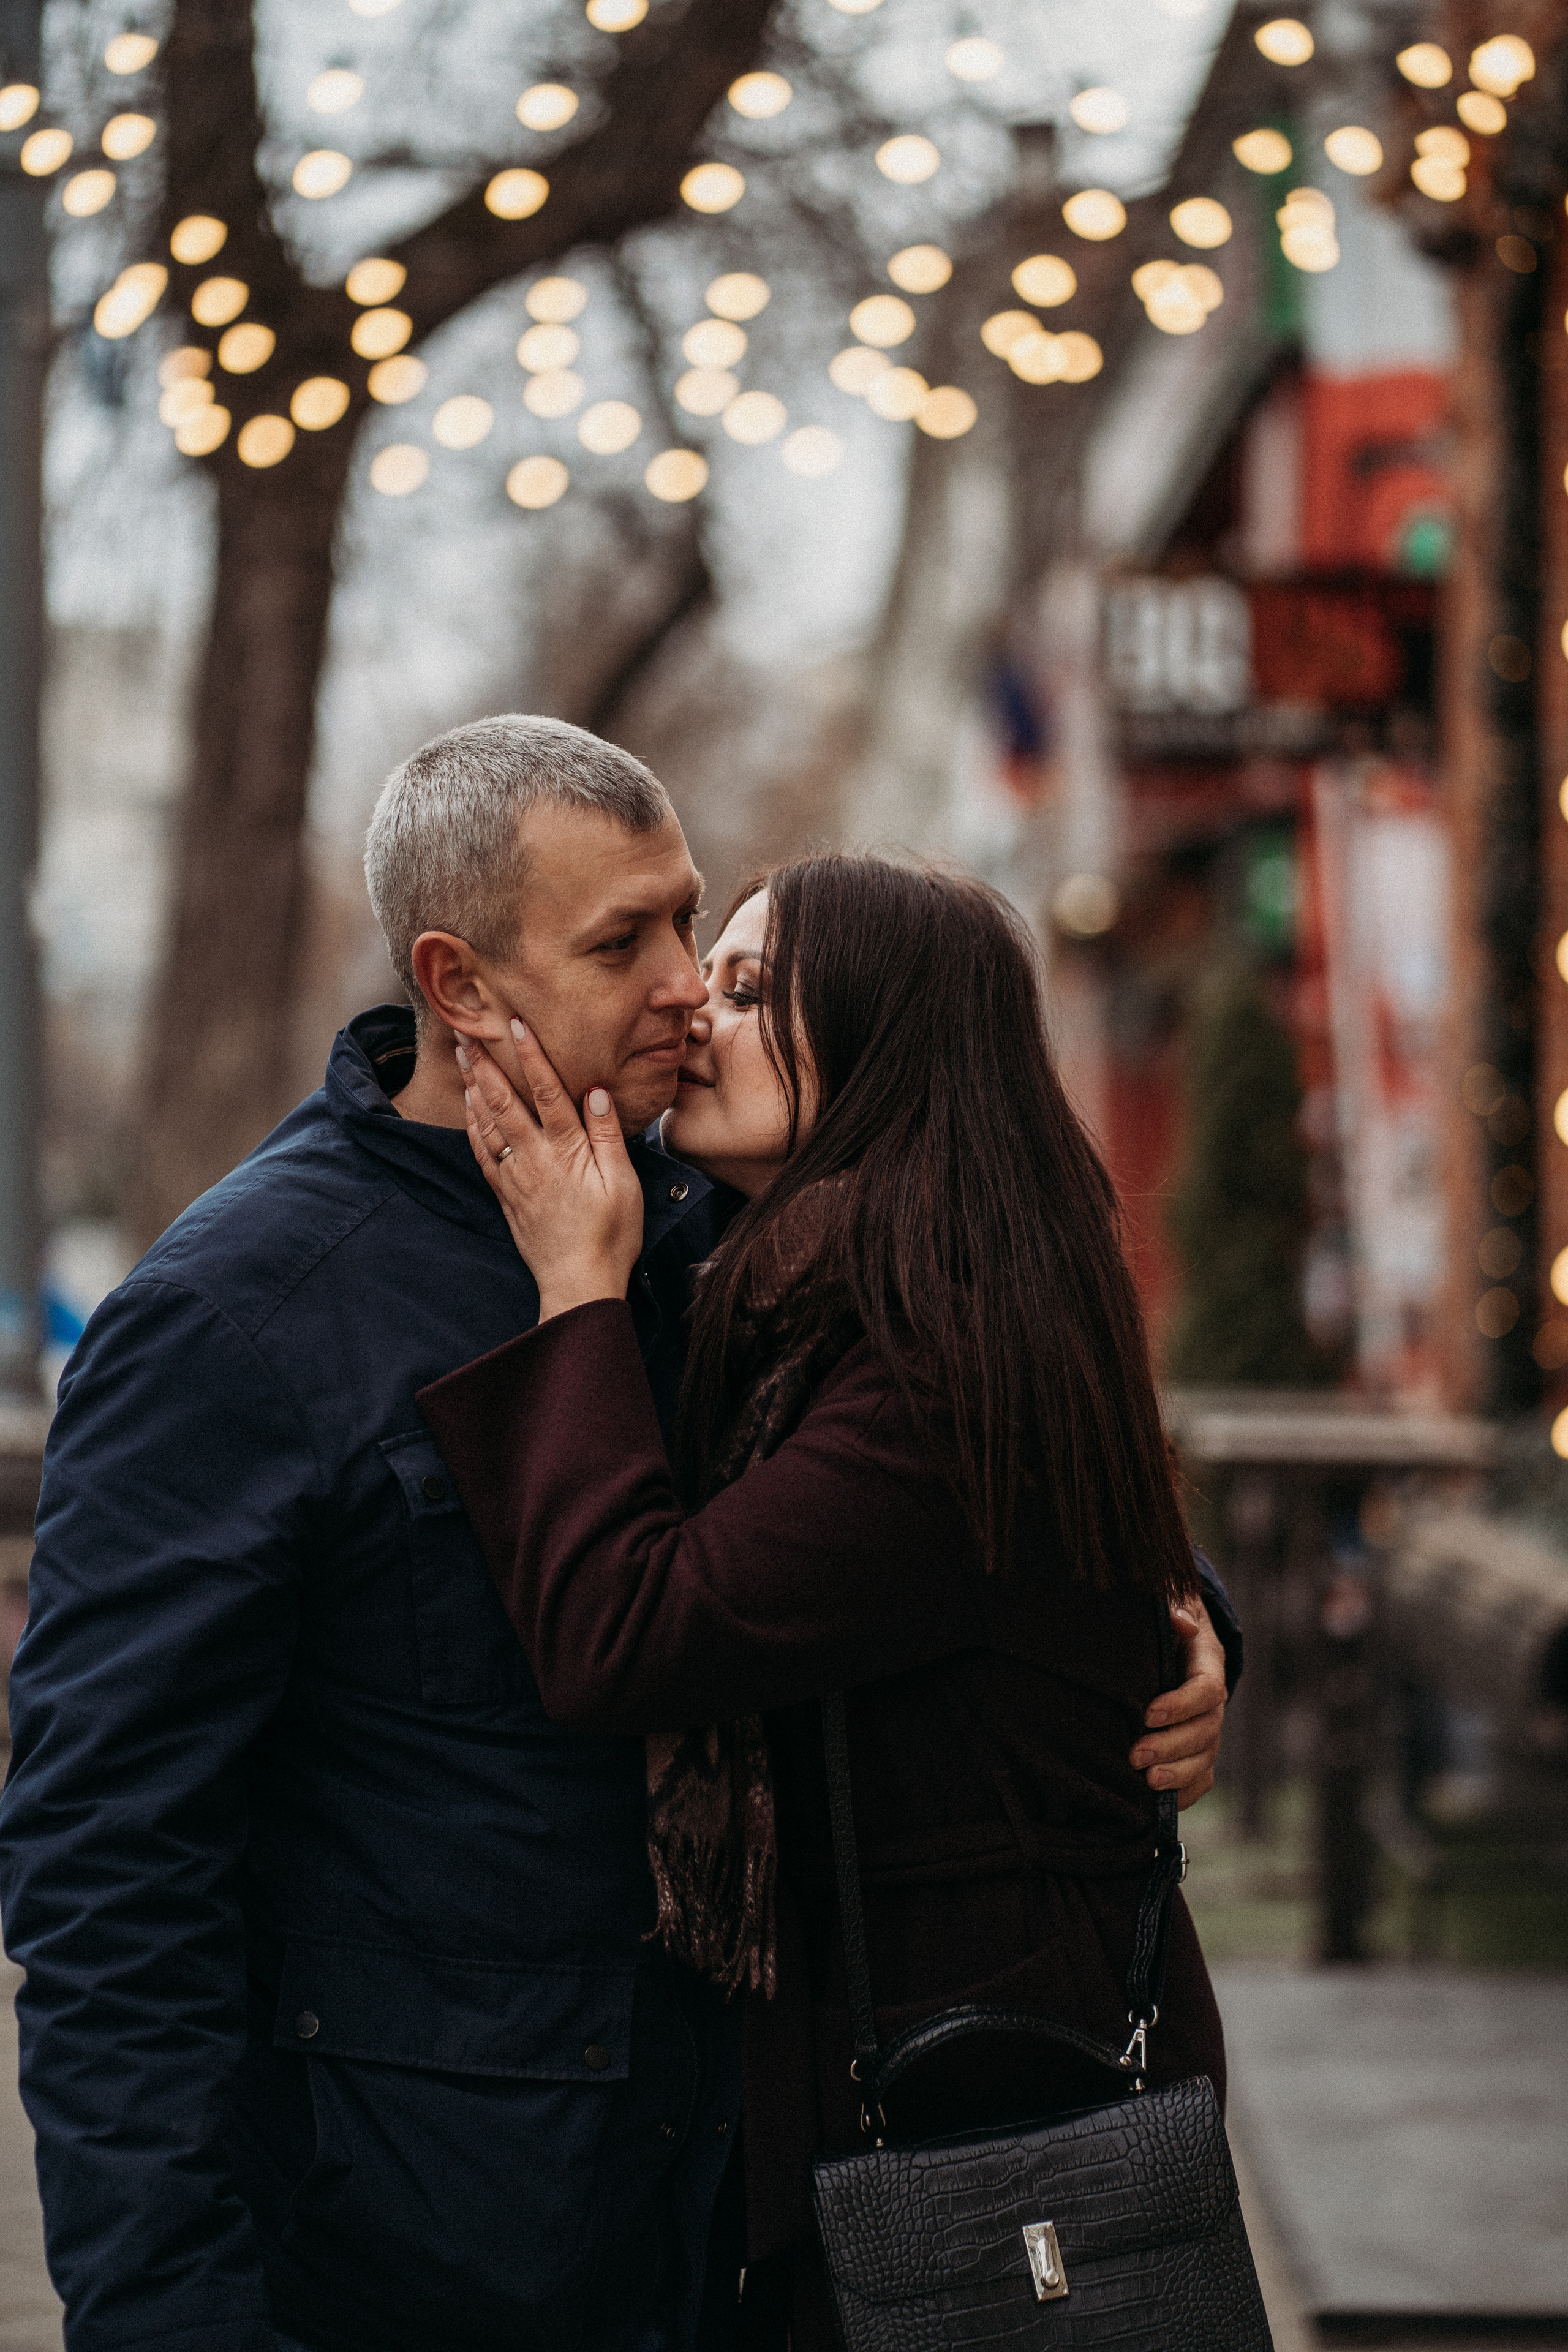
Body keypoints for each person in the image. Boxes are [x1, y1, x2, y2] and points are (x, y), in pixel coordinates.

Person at [0, 718, 1229, 2352]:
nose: (683, 985)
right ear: (459, 981)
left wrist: (1184, 1623)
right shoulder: (238, 1321)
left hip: (754, 2224)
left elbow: (964, 1488)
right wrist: (166, 2315)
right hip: (432, 2244)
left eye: (689, 915)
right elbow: (107, 1865)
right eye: (621, 940)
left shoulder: (713, 1222)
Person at [416, 853, 1237, 2350]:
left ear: (880, 1041)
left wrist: (578, 1295)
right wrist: (1194, 1617)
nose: (693, 1013)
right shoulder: (860, 1285)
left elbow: (635, 1637)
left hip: (977, 2119)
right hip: (923, 2084)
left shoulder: (935, 1347)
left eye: (743, 987)